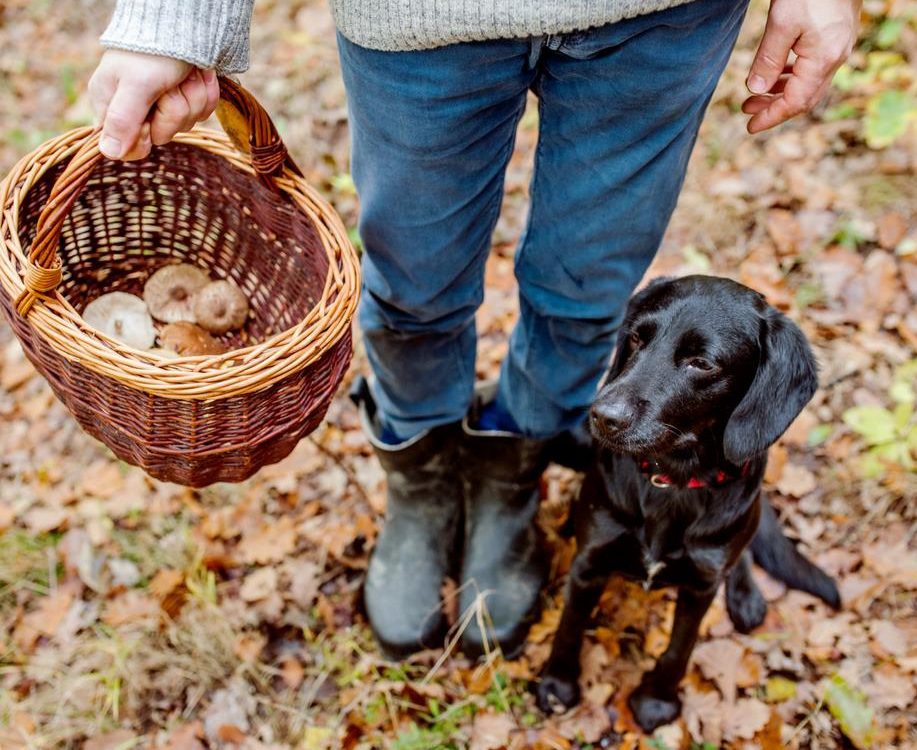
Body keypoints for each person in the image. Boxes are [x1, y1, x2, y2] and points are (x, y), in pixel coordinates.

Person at [89, 0, 860, 659]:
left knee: (587, 296)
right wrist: (175, 20)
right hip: (418, 21)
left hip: (659, 21)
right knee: (414, 289)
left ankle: (511, 476)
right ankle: (422, 483)